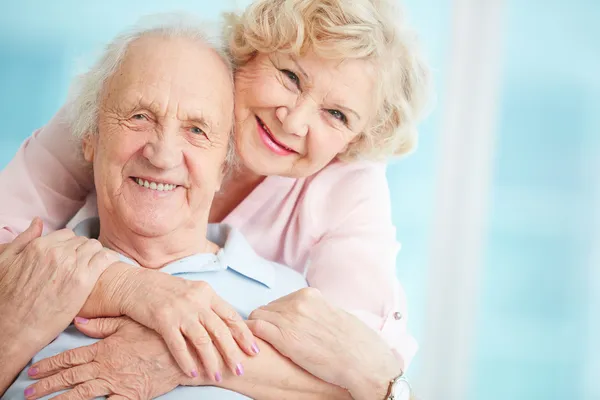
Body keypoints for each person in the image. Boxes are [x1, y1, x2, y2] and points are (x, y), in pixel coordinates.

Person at [0, 0, 430, 397]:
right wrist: (132, 289)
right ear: (251, 53)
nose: (294, 122)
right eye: (291, 77)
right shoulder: (149, 85)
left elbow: (361, 371)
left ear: (355, 141)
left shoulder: (347, 187)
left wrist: (182, 355)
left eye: (336, 115)